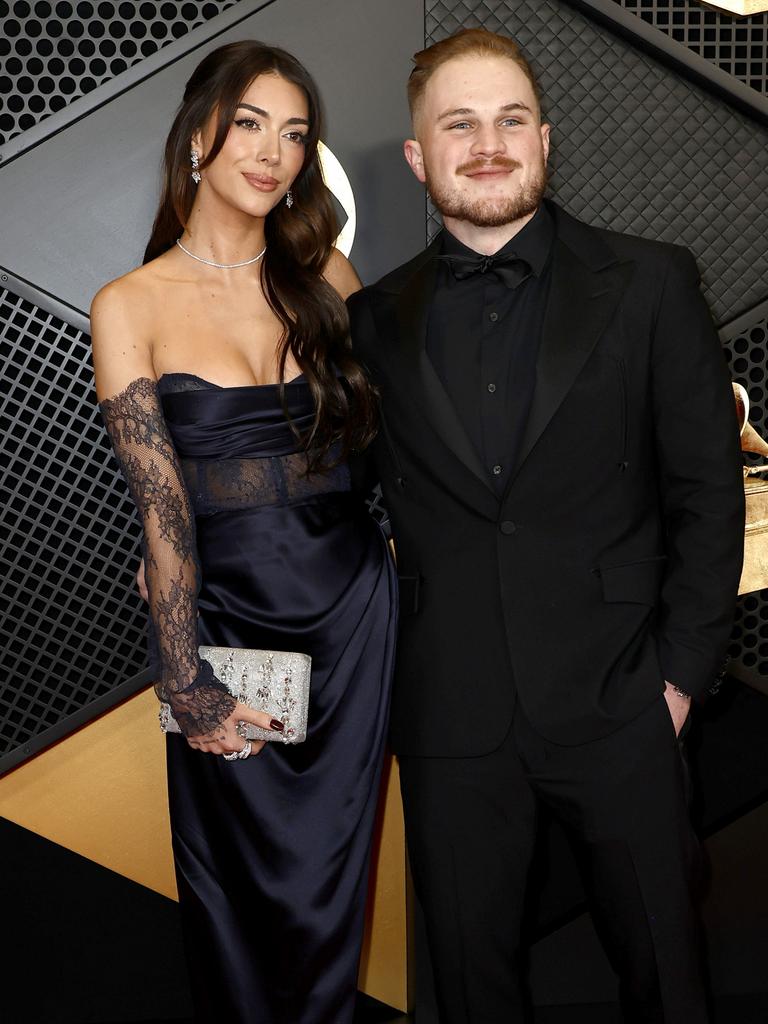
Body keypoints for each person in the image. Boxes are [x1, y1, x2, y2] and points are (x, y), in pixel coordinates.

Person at [347, 27, 745, 1024]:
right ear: (418, 156)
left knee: (670, 979)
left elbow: (707, 493)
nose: (490, 143)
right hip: (450, 720)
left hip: (623, 704)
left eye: (512, 119)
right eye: (460, 123)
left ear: (546, 139)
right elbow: (344, 502)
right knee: (476, 995)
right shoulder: (372, 319)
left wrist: (678, 684)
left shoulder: (652, 282)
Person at [91, 40, 396, 1024]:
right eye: (251, 123)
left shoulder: (330, 276)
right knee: (243, 895)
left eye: (296, 134)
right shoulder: (128, 305)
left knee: (331, 895)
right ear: (200, 135)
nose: (272, 152)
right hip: (226, 626)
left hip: (354, 617)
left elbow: (390, 448)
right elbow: (163, 507)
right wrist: (186, 677)